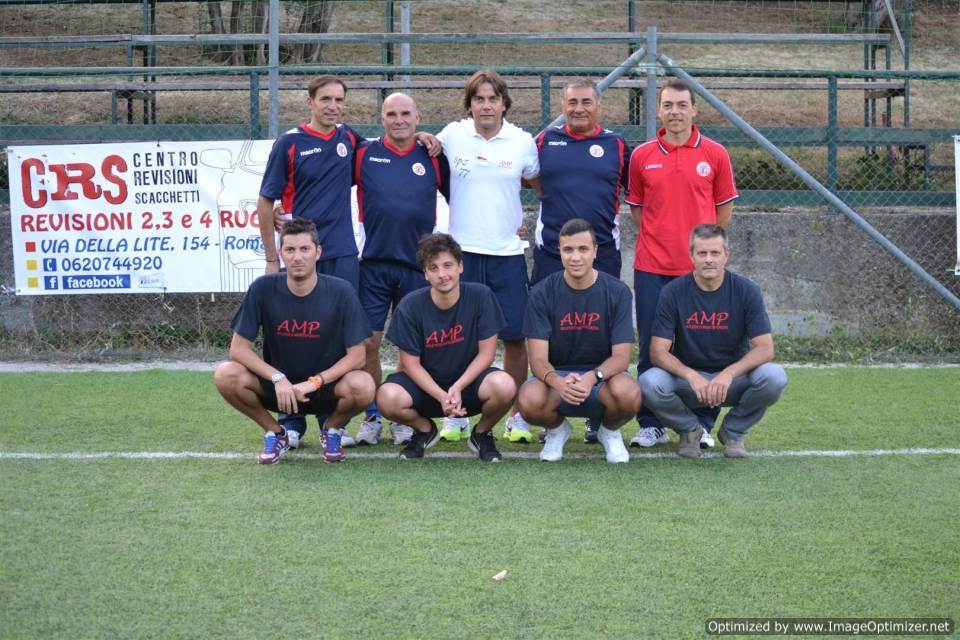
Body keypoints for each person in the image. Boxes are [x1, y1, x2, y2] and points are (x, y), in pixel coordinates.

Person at [625, 78, 739, 450]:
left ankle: (703, 423)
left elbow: (723, 213)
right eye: (668, 105)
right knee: (651, 347)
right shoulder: (642, 155)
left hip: (698, 273)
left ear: (694, 110)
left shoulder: (716, 154)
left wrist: (701, 254)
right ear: (658, 110)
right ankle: (650, 423)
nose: (675, 112)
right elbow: (638, 212)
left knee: (700, 348)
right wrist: (663, 241)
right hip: (652, 267)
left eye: (681, 105)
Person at [213, 218, 376, 464]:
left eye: (304, 249)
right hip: (279, 390)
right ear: (280, 253)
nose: (297, 257)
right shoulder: (262, 288)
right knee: (226, 374)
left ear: (318, 252)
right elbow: (238, 349)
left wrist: (315, 382)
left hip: (324, 389)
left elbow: (358, 356)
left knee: (363, 384)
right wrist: (278, 378)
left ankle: (331, 429)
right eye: (290, 250)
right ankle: (275, 433)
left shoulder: (341, 291)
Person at [435, 69, 540, 444]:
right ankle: (458, 412)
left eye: (492, 98)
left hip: (507, 254)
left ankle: (517, 415)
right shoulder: (452, 135)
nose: (486, 105)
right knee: (461, 338)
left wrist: (519, 220)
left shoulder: (522, 142)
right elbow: (424, 148)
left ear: (503, 103)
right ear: (470, 104)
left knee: (514, 337)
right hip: (463, 254)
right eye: (478, 99)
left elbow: (538, 183)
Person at [532, 78, 632, 444]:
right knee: (554, 332)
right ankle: (551, 415)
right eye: (572, 102)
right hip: (551, 255)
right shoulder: (544, 142)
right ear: (562, 105)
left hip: (602, 254)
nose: (579, 108)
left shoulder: (618, 145)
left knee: (598, 331)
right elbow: (532, 182)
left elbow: (632, 194)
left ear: (598, 105)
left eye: (586, 101)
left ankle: (597, 414)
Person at [352, 92, 450, 447]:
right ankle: (373, 415)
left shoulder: (433, 156)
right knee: (368, 343)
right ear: (381, 119)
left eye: (406, 113)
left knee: (414, 347)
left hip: (418, 268)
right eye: (391, 114)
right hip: (375, 265)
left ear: (417, 117)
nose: (399, 120)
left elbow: (464, 198)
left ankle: (404, 415)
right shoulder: (363, 153)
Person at [638, 224, 787, 458]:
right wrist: (690, 375)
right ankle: (690, 430)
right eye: (702, 253)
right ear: (691, 255)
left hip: (732, 381)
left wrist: (728, 374)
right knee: (648, 382)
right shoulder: (673, 292)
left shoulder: (746, 290)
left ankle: (733, 432)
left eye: (715, 253)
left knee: (774, 376)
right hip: (689, 382)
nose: (709, 260)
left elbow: (765, 348)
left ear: (726, 254)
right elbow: (657, 352)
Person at [376, 233, 517, 462]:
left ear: (460, 266)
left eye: (448, 265)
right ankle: (423, 430)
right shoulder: (410, 305)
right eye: (433, 268)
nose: (442, 274)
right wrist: (441, 395)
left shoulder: (481, 296)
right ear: (425, 273)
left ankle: (481, 434)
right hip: (426, 390)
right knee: (386, 396)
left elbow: (487, 354)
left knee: (505, 385)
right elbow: (410, 364)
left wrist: (458, 386)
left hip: (469, 387)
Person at [518, 219, 639, 463]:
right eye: (568, 250)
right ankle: (556, 430)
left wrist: (591, 377)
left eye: (583, 249)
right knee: (528, 399)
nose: (575, 257)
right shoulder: (542, 292)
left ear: (595, 251)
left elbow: (621, 358)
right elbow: (538, 360)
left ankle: (609, 431)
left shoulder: (617, 292)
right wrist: (559, 382)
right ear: (559, 252)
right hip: (557, 381)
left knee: (630, 393)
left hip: (602, 380)